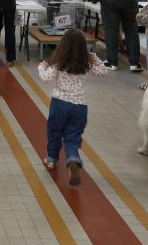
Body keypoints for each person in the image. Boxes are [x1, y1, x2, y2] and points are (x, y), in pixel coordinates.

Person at [39, 28, 109, 186]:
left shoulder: (59, 61)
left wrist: (42, 67)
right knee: (72, 136)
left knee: (54, 132)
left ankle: (51, 160)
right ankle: (73, 158)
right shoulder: (86, 61)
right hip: (80, 106)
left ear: (63, 45)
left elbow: (46, 78)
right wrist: (94, 57)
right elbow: (103, 71)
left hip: (59, 103)